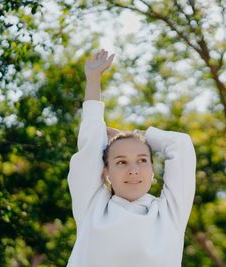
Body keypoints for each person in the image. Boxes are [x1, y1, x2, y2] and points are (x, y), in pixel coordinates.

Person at [66, 49, 196, 267]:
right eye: (121, 162)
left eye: (142, 160)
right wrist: (93, 80)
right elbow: (89, 143)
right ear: (105, 171)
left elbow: (180, 146)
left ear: (153, 170)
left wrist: (136, 137)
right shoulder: (92, 207)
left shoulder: (170, 213)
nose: (133, 170)